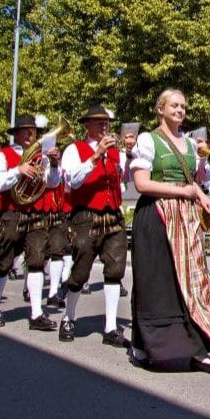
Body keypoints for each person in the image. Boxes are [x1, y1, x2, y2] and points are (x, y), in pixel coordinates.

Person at [127, 89, 210, 373]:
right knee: (154, 280)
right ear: (160, 109)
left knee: (192, 280)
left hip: (185, 216)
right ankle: (142, 345)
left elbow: (198, 180)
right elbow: (142, 184)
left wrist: (200, 191)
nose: (180, 110)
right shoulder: (148, 140)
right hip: (156, 214)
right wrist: (184, 191)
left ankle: (198, 348)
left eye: (183, 105)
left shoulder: (190, 144)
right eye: (174, 105)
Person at [58, 105, 130, 345]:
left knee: (115, 270)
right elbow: (73, 181)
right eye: (99, 123)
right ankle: (68, 317)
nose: (105, 126)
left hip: (112, 216)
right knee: (80, 270)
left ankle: (110, 328)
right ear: (87, 125)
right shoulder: (73, 149)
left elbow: (124, 183)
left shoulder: (115, 153)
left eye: (107, 123)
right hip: (85, 217)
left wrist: (129, 156)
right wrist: (95, 155)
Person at [0, 115, 62, 331]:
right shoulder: (4, 155)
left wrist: (54, 164)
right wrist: (18, 171)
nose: (31, 134)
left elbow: (52, 183)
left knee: (37, 261)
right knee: (6, 261)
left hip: (36, 215)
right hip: (11, 214)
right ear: (17, 134)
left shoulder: (42, 156)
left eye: (33, 131)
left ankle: (37, 313)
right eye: (26, 131)